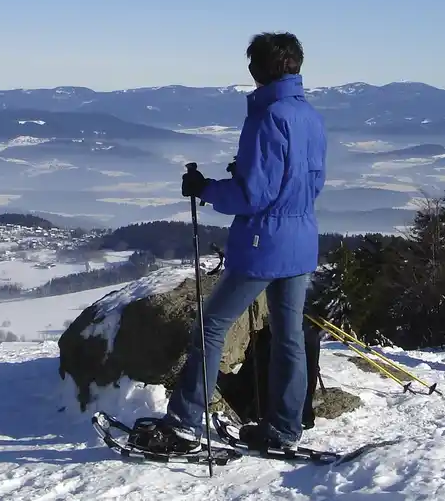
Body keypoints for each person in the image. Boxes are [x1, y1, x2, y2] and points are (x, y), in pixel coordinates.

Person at [131, 31, 327, 455]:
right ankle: (284, 428)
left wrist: (205, 188)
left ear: (258, 69)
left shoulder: (267, 117)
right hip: (300, 240)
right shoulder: (309, 116)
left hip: (263, 244)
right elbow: (309, 182)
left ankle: (184, 423)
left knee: (211, 326)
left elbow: (252, 196)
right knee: (289, 337)